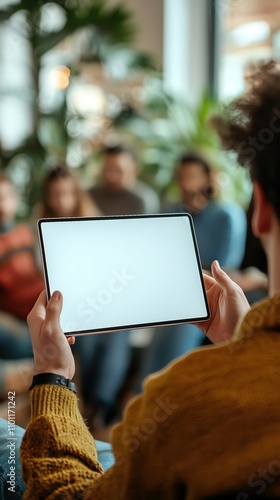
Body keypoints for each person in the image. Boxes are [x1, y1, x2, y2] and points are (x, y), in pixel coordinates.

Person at [19, 60, 280, 498]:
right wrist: (239, 344)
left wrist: (52, 377)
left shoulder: (192, 399)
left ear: (262, 211)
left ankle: (97, 407)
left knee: (7, 444)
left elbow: (63, 493)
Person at [133, 153, 247, 390]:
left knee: (180, 324)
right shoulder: (169, 211)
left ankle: (148, 395)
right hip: (168, 289)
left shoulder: (226, 216)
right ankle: (141, 396)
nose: (186, 184)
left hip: (204, 290)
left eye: (193, 177)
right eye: (182, 177)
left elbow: (225, 268)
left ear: (208, 179)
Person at [0, 173, 44, 359]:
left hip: (50, 316)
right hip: (19, 327)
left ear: (15, 199)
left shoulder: (29, 232)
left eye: (4, 197)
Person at [89, 144, 160, 215]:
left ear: (135, 169)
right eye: (106, 170)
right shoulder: (91, 196)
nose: (110, 177)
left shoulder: (143, 200)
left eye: (118, 171)